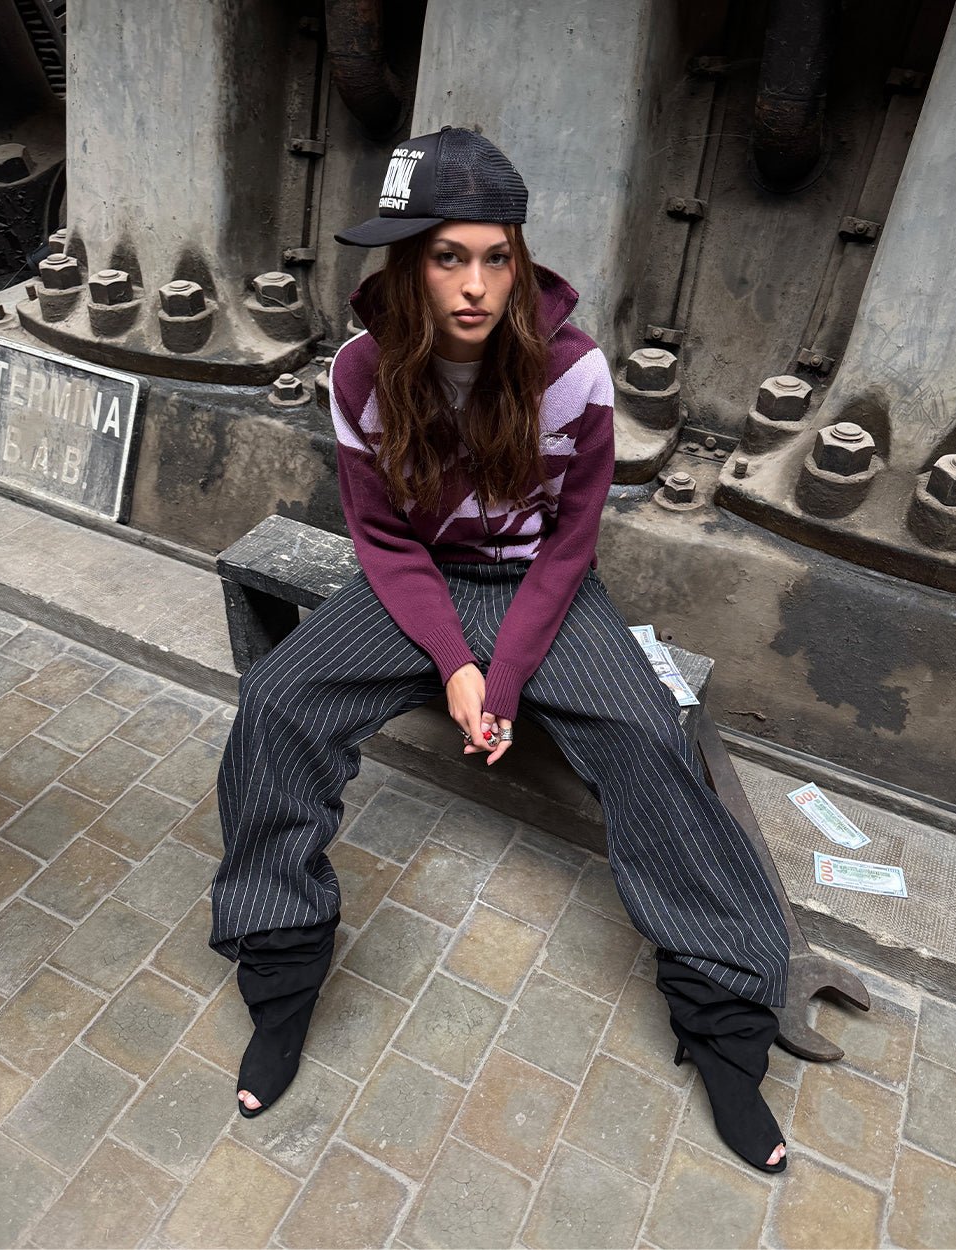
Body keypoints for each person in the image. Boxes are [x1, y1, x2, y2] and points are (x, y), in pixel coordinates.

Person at [209, 126, 791, 1173]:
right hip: (415, 583)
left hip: (538, 586)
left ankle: (725, 1019)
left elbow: (570, 544)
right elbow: (383, 540)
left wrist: (505, 675)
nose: (474, 285)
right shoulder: (360, 372)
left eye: (495, 256)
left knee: (650, 736)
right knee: (277, 703)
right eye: (447, 257)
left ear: (519, 260)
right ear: (408, 264)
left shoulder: (574, 371)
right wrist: (455, 662)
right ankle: (282, 974)